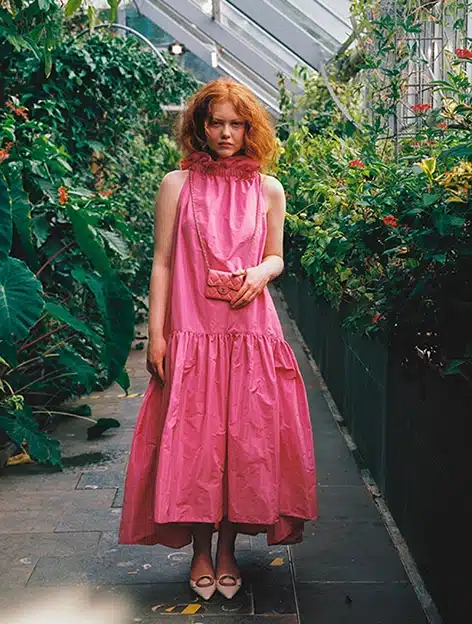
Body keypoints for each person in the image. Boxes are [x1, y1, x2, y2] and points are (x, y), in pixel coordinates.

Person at [119, 77, 317, 601]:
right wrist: (156, 335)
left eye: (236, 124)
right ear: (200, 127)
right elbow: (161, 263)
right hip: (192, 334)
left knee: (243, 442)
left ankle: (228, 552)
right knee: (195, 444)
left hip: (250, 333)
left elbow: (276, 254)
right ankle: (199, 552)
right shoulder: (176, 185)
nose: (226, 133)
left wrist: (261, 274)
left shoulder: (269, 188)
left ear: (250, 128)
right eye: (216, 123)